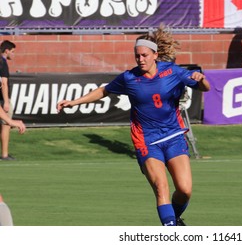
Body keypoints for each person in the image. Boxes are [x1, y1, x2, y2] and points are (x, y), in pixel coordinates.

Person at [57, 26, 210, 226]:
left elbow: (203, 87)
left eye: (145, 55)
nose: (140, 60)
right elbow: (104, 91)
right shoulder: (129, 78)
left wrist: (202, 79)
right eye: (137, 56)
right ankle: (170, 228)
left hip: (173, 136)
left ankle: (174, 218)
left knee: (185, 189)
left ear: (155, 55)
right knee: (161, 186)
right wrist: (74, 102)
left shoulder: (173, 72)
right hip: (146, 140)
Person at [0, 40, 17, 160]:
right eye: (12, 51)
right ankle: (4, 155)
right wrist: (6, 101)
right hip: (2, 99)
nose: (13, 54)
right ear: (6, 51)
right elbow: (4, 83)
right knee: (6, 125)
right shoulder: (3, 62)